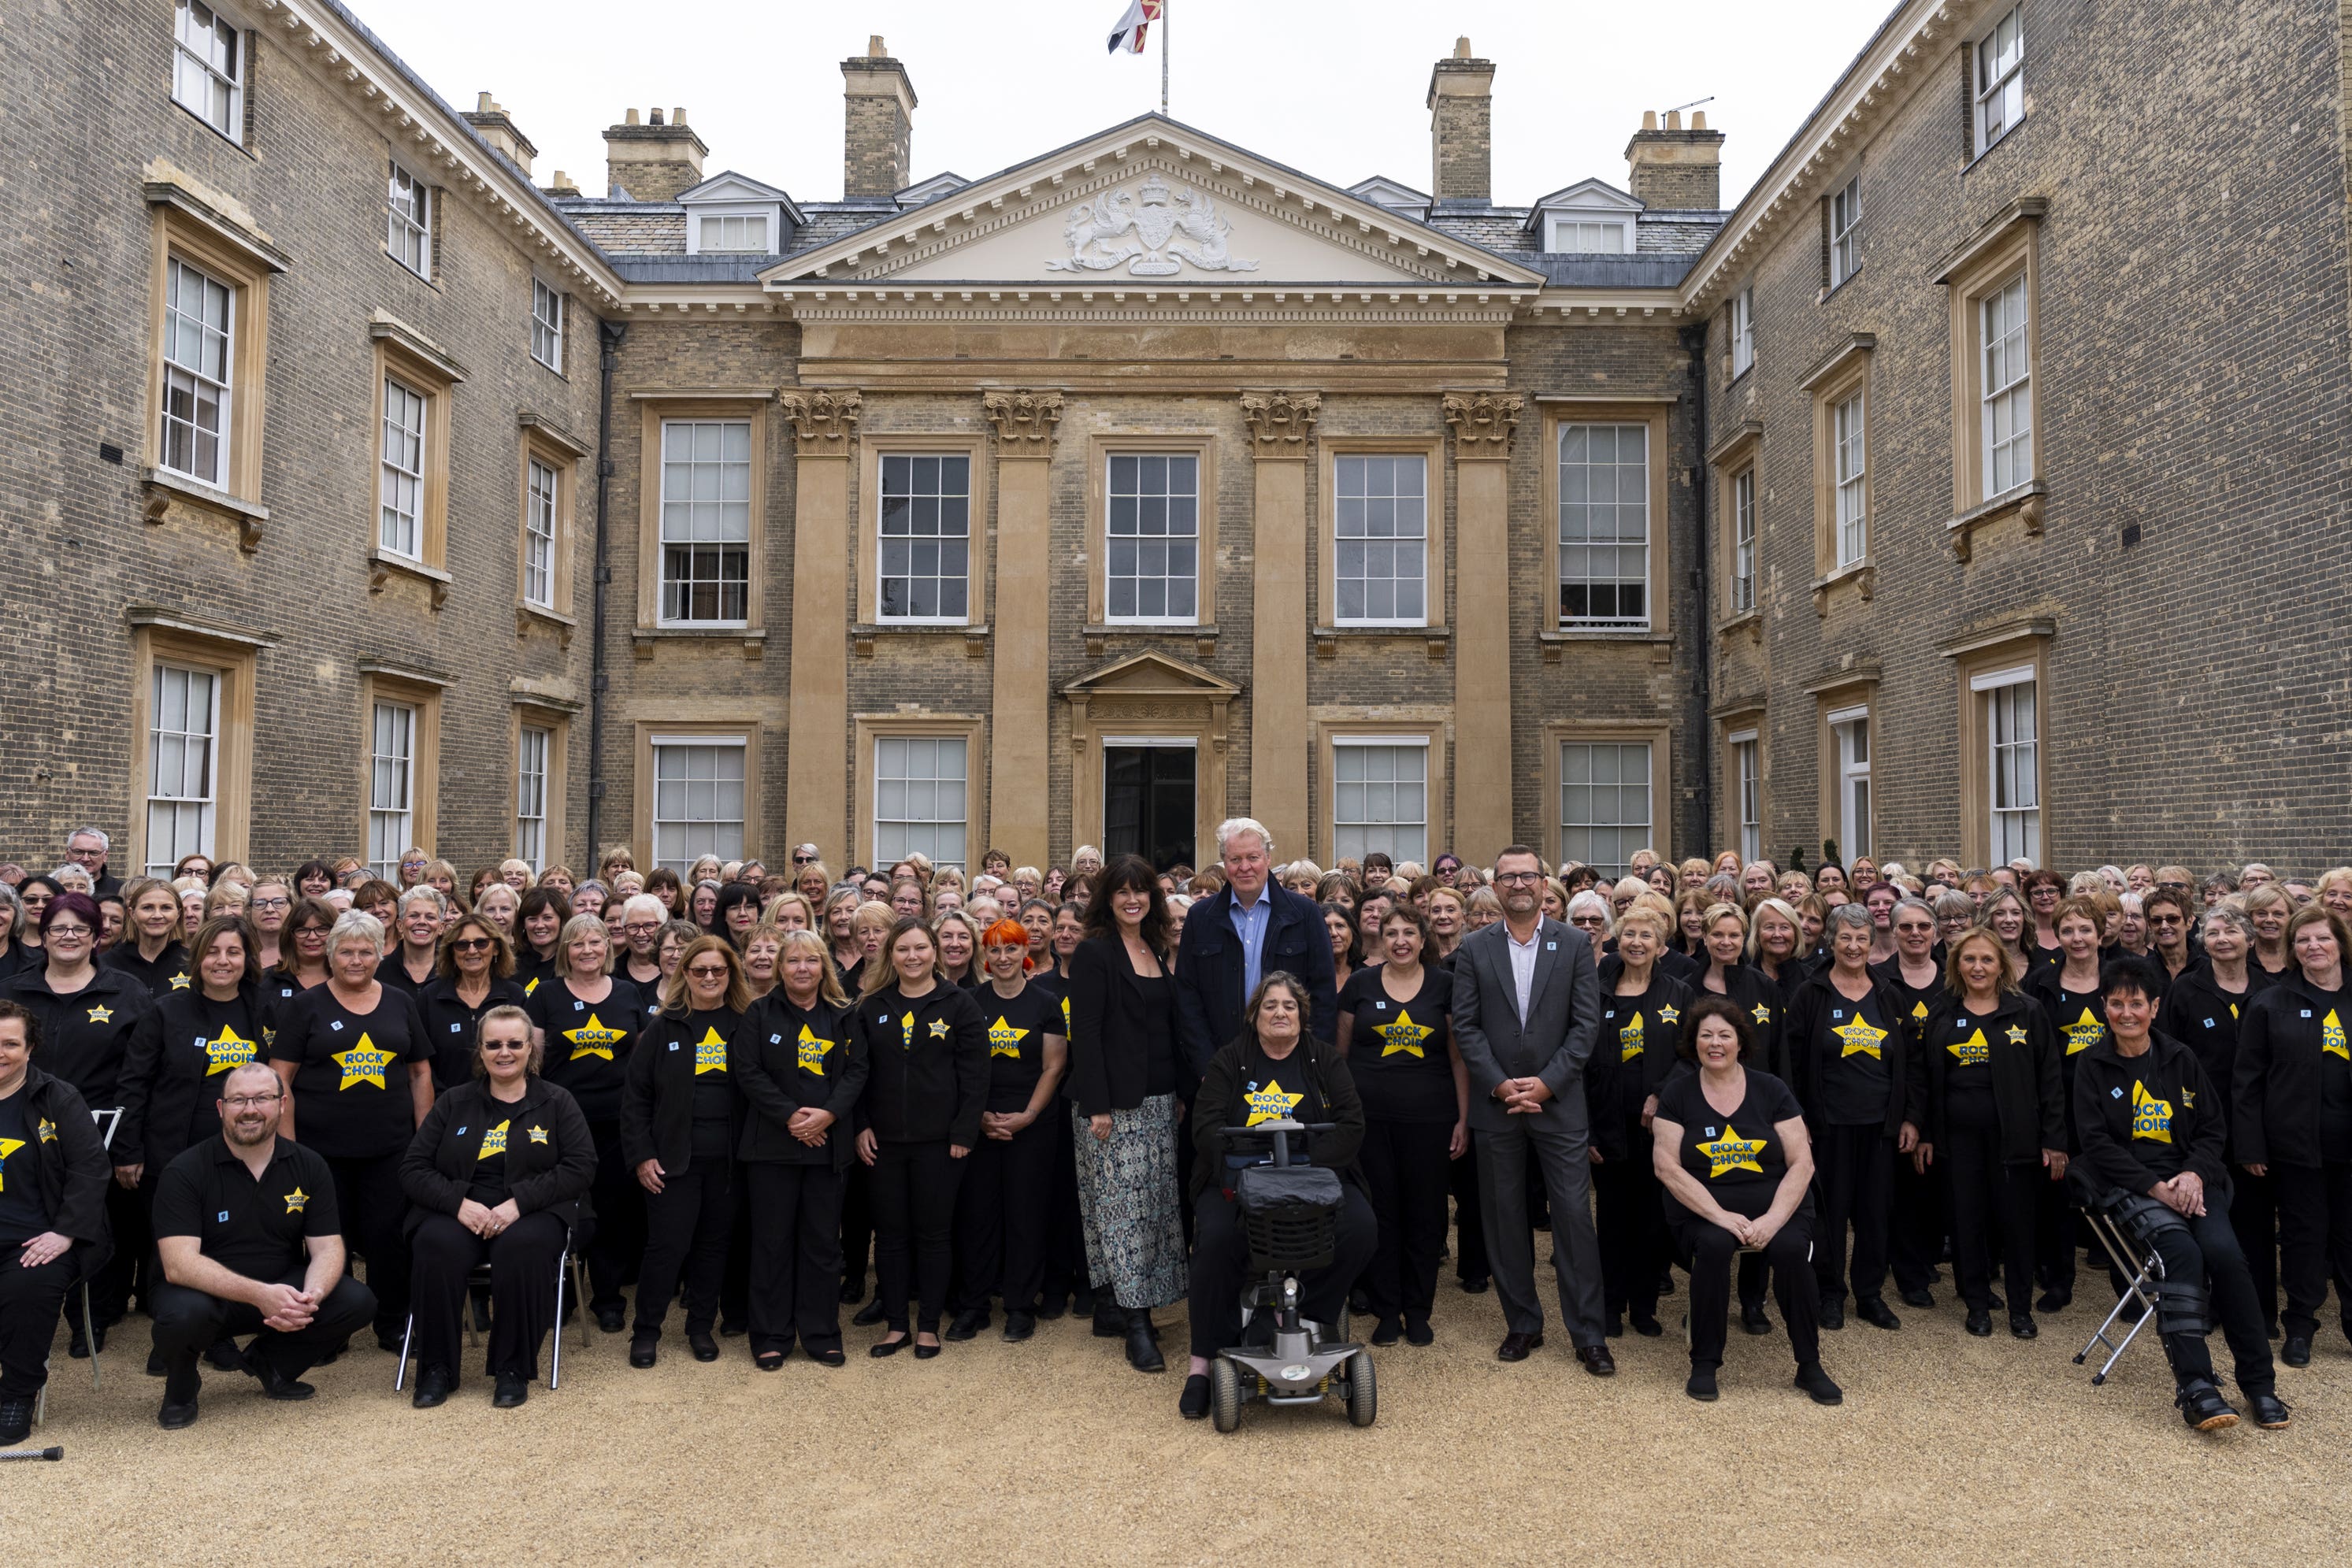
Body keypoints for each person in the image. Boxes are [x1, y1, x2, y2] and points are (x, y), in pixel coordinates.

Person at [2081, 958, 2287, 1431]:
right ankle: (2196, 1388)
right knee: (2182, 1255)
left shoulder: (2180, 1057)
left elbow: (2214, 1129)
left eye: (2137, 1003)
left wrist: (2193, 1175)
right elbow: (2095, 1144)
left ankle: (2260, 1385)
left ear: (2155, 1006)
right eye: (2117, 1003)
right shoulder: (2092, 1064)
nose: (2127, 1012)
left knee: (2226, 1256)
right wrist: (2154, 1187)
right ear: (2104, 1006)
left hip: (2194, 1183)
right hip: (2133, 1186)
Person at [1178, 972, 1377, 1420]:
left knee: (1359, 1227)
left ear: (1302, 1015)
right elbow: (1207, 1127)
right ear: (1255, 1015)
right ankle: (1203, 1364)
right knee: (1215, 1242)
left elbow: (1350, 1124)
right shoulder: (1230, 1060)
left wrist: (1305, 1163)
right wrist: (1256, 1159)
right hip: (1240, 1176)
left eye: (1289, 1006)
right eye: (1270, 1006)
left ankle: (1303, 1311)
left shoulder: (1324, 1059)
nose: (1280, 1013)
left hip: (1313, 1175)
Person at [1450, 844, 1610, 1372]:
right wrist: (1499, 1086)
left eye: (1528, 875)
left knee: (1571, 1218)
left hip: (1558, 1104)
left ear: (1545, 884)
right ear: (1495, 886)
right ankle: (1523, 1323)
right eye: (1508, 876)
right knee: (1504, 1218)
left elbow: (1586, 1025)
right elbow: (1466, 1027)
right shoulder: (1474, 948)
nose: (1519, 884)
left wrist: (1546, 1083)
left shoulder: (1572, 944)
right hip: (1497, 1107)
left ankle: (1588, 1332)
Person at [148, 1061, 379, 1428]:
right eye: (238, 1100)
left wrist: (311, 1297)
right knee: (181, 1316)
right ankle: (181, 1385)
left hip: (278, 1290)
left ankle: (271, 1363)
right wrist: (259, 1294)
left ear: (282, 1104)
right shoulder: (185, 1170)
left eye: (262, 1099)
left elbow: (328, 1247)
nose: (250, 1110)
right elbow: (179, 1264)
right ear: (221, 1109)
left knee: (356, 1300)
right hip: (205, 1294)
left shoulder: (309, 1165)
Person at [398, 1005, 594, 1408]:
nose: (504, 1052)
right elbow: (413, 1168)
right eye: (493, 1044)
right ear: (480, 1051)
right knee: (434, 1245)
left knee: (523, 1247)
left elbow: (580, 1166)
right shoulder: (454, 1102)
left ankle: (512, 1369)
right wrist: (457, 1204)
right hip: (462, 1208)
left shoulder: (557, 1101)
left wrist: (519, 1203)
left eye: (514, 1044)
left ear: (530, 1050)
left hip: (534, 1210)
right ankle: (437, 1369)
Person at [1651, 997, 1837, 1402]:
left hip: (1779, 1207)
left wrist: (1772, 1220)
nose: (1715, 1043)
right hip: (1703, 1209)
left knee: (1789, 1249)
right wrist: (1719, 1216)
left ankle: (1809, 1364)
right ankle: (1704, 1363)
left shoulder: (1771, 1089)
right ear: (1693, 1042)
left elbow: (1802, 1163)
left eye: (1724, 1035)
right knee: (1715, 1247)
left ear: (1740, 1042)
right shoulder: (1677, 1094)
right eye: (1706, 1036)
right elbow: (1666, 1168)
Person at [268, 910, 432, 1351]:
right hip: (321, 1153)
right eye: (346, 951)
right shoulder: (304, 1006)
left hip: (391, 1147)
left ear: (380, 955)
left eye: (366, 952)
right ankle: (331, 1328)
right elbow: (279, 1077)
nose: (355, 960)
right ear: (329, 953)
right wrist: (288, 1147)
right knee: (326, 1240)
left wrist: (423, 1140)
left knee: (389, 1237)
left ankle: (393, 1323)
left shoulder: (401, 1002)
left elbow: (419, 1073)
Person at [0, 891, 157, 1344]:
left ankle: (92, 1321)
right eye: (58, 928)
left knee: (98, 1219)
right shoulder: (12, 989)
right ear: (42, 935)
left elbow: (139, 1074)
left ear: (96, 937)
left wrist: (128, 1146)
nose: (69, 936)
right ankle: (28, 1308)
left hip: (101, 1131)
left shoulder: (126, 992)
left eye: (80, 929)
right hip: (22, 1127)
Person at [1066, 856, 1192, 1369]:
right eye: (1122, 891)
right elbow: (1087, 1033)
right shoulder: (1095, 953)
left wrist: (1181, 1091)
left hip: (1161, 1102)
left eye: (1141, 890)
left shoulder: (1156, 948)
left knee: (1156, 1210)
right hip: (1113, 1108)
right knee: (1121, 1216)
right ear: (1107, 898)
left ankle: (1121, 1307)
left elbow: (1164, 1028)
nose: (1132, 898)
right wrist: (1097, 1105)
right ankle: (1136, 1324)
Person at [1915, 929, 2064, 1338]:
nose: (1977, 967)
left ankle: (2020, 1309)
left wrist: (2054, 1139)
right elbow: (1923, 1078)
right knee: (1966, 1221)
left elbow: (2050, 1078)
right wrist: (1925, 1132)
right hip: (1955, 1140)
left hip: (2016, 1138)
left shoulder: (2027, 1011)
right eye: (1969, 960)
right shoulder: (1940, 1011)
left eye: (1986, 960)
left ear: (2001, 965)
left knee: (2016, 1223)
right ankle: (1977, 1304)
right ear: (1956, 965)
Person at [853, 917, 986, 1359]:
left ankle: (927, 1326)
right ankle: (896, 1326)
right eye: (903, 949)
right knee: (889, 1236)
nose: (913, 957)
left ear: (934, 952)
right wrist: (861, 1125)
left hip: (941, 1143)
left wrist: (964, 1131)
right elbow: (858, 1074)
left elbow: (975, 1075)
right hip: (883, 1143)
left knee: (933, 1234)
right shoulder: (871, 1005)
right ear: (890, 955)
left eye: (920, 948)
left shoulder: (960, 1004)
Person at [1783, 902, 1920, 1331]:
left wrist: (1910, 1118)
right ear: (1832, 941)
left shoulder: (1889, 993)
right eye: (1846, 937)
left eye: (1862, 938)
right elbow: (1792, 1062)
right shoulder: (1811, 992)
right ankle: (1830, 1294)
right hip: (1827, 1125)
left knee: (1876, 1211)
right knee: (1830, 1212)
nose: (1855, 946)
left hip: (1881, 1125)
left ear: (1873, 942)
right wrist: (1796, 1118)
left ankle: (1869, 1294)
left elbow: (1912, 1063)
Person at [1334, 904, 1463, 1347]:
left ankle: (1419, 1309)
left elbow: (1458, 1056)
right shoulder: (1359, 984)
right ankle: (1387, 1309)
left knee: (1426, 1215)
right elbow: (1342, 1055)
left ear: (1423, 939)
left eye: (1409, 932)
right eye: (1392, 933)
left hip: (1431, 1119)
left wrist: (1464, 1117)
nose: (1401, 941)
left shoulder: (1445, 985)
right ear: (1380, 939)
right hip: (1370, 1123)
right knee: (1380, 1213)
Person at [736, 929, 866, 1369]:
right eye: (792, 961)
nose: (802, 969)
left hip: (827, 1147)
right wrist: (792, 1116)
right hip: (771, 1147)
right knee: (772, 1243)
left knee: (822, 1244)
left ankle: (820, 1332)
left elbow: (857, 1072)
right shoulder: (759, 1013)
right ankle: (771, 1334)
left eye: (811, 960)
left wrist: (826, 1116)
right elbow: (749, 1073)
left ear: (824, 967)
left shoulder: (844, 1015)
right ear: (780, 968)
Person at [2233, 903, 2352, 1369]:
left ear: (2339, 942)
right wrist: (2251, 1145)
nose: (2313, 947)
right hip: (2296, 1147)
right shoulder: (2270, 1003)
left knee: (2349, 1238)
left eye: (2322, 938)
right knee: (2304, 1237)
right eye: (2303, 941)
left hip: (2349, 1148)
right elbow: (2247, 1082)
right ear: (2292, 949)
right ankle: (2301, 1325)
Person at [623, 935, 747, 1368]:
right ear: (685, 975)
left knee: (714, 1246)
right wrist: (641, 1155)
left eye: (718, 970)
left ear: (730, 974)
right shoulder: (664, 1026)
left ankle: (700, 1327)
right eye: (700, 970)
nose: (709, 977)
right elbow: (636, 1097)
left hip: (729, 1163)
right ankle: (647, 1332)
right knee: (666, 1247)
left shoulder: (746, 1024)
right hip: (673, 1160)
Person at [525, 912, 649, 1331]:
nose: (587, 950)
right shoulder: (545, 994)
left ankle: (609, 1298)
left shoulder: (629, 994)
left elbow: (642, 1060)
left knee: (613, 1210)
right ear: (565, 951)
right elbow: (533, 1063)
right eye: (577, 943)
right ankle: (562, 1296)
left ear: (608, 947)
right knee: (563, 1208)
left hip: (616, 1121)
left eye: (595, 942)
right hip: (562, 1123)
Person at [948, 919, 1068, 1343]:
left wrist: (1028, 1115)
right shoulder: (968, 1001)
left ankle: (1020, 1305)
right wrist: (978, 1115)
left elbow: (1054, 1065)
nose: (1003, 958)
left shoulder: (1045, 1002)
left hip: (1032, 1124)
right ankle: (974, 1305)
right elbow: (958, 1065)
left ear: (1025, 953)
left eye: (1011, 949)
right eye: (995, 950)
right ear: (985, 955)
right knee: (977, 1216)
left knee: (1025, 1213)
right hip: (979, 1122)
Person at [0, 1002, 112, 1444]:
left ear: (30, 1049)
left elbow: (91, 1167)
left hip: (39, 1238)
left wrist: (65, 1232)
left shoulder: (57, 1097)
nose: (1, 1052)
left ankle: (16, 1394)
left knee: (28, 1286)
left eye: (10, 1043)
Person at [1172, 819, 1340, 1084]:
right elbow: (1188, 998)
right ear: (1224, 863)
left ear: (1268, 858)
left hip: (1292, 1064)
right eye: (1235, 859)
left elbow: (1323, 995)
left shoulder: (1304, 914)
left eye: (1253, 857)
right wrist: (1207, 1066)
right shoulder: (1200, 917)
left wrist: (1311, 1062)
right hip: (1221, 1067)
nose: (1245, 867)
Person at [1587, 901, 1688, 1340]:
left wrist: (1660, 1094)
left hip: (1657, 1127)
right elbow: (1577, 1060)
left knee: (1652, 1219)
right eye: (1629, 934)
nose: (1637, 942)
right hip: (1606, 1123)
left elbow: (1692, 1055)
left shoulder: (1681, 994)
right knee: (1611, 1219)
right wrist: (1586, 1128)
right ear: (1617, 940)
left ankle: (1643, 1307)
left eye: (1647, 936)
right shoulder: (1593, 989)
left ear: (1661, 946)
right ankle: (1609, 1306)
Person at [416, 916, 529, 1094]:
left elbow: (526, 1057)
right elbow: (420, 1065)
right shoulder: (431, 997)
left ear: (496, 949)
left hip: (504, 1107)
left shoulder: (515, 995)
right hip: (447, 1109)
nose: (472, 950)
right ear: (452, 951)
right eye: (462, 944)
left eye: (481, 943)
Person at [106, 877, 191, 997]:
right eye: (147, 908)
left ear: (178, 913)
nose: (157, 915)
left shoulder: (193, 962)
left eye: (166, 908)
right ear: (132, 913)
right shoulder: (107, 963)